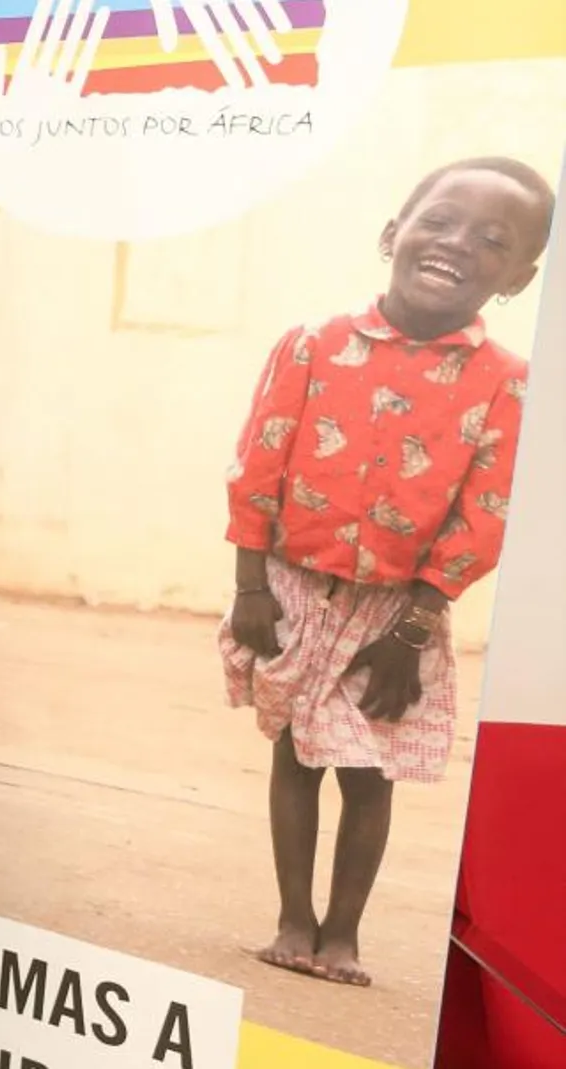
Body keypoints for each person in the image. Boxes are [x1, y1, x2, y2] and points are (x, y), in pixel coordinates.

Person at [220, 156, 555, 988]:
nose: (455, 244)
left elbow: (488, 513)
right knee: (297, 753)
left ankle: (343, 934)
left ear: (519, 276)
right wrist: (250, 585)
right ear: (392, 233)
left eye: (492, 240)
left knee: (370, 772)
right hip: (295, 587)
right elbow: (258, 463)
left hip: (400, 610)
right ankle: (293, 920)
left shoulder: (509, 385)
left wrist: (412, 628)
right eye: (438, 220)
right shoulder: (312, 345)